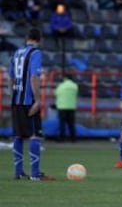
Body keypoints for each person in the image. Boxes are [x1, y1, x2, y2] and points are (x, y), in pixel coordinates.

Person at [8, 28, 55, 181]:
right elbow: (34, 76)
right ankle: (35, 174)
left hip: (17, 100)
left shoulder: (16, 53)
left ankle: (19, 172)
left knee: (18, 135)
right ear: (39, 39)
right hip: (29, 101)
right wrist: (37, 99)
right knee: (35, 135)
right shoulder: (36, 53)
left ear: (27, 37)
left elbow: (10, 78)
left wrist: (12, 95)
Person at [54, 74, 79, 142]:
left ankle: (61, 139)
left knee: (62, 124)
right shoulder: (75, 86)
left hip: (62, 107)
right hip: (71, 107)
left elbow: (56, 94)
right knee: (71, 124)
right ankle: (73, 139)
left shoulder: (61, 85)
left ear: (65, 78)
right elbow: (76, 94)